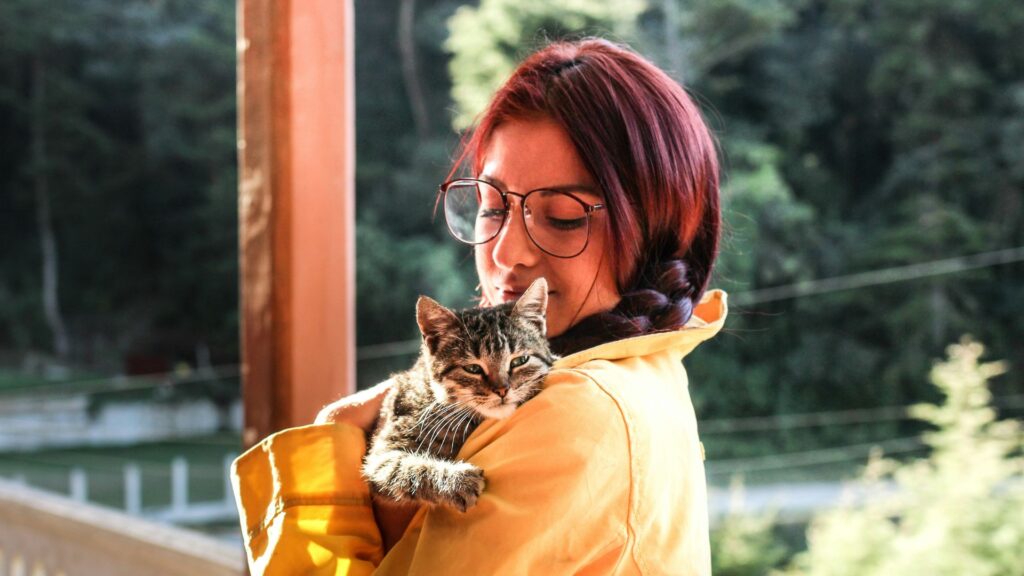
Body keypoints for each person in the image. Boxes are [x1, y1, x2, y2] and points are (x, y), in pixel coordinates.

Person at [232, 37, 727, 575]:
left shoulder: (577, 411)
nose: (507, 253)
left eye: (563, 217)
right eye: (492, 207)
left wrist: (326, 457)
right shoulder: (649, 370)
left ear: (657, 234)